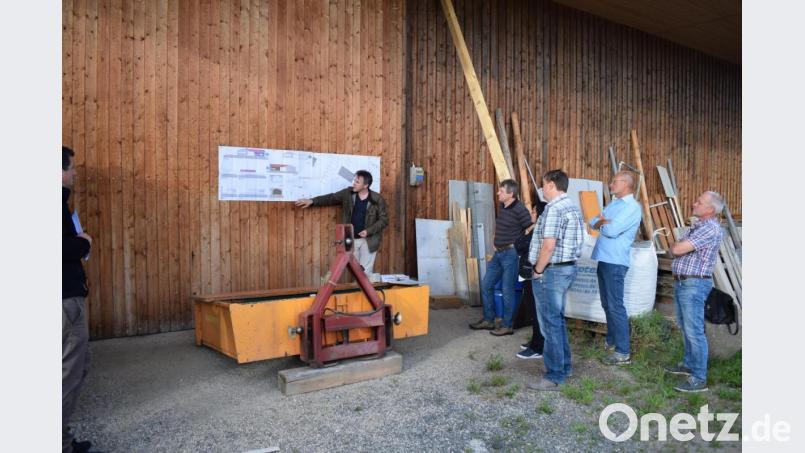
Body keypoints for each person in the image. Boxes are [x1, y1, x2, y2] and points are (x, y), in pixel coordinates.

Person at [527, 170, 584, 391]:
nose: (541, 189)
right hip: (566, 269)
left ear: (551, 185)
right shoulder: (572, 207)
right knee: (557, 321)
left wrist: (538, 270)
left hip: (551, 272)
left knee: (550, 325)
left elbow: (548, 246)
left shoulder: (554, 209)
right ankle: (564, 367)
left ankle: (554, 375)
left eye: (543, 185)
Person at [664, 191, 725, 393]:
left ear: (710, 209)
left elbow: (676, 250)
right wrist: (677, 247)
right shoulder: (697, 226)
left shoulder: (710, 228)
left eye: (699, 202)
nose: (694, 203)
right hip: (684, 283)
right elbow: (672, 250)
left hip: (694, 285)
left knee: (694, 331)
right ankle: (689, 364)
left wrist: (677, 247)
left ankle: (699, 377)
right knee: (685, 327)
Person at [589, 171, 642, 366]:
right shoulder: (614, 204)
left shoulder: (632, 207)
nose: (611, 184)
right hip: (604, 259)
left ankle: (622, 352)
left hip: (615, 262)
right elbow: (592, 221)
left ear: (626, 184)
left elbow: (611, 230)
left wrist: (602, 222)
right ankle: (611, 342)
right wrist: (602, 222)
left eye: (614, 182)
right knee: (607, 304)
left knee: (615, 305)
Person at [62, 146, 95, 453]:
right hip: (65, 299)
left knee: (77, 366)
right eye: (71, 167)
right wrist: (82, 243)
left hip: (70, 292)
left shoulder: (62, 203)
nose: (74, 172)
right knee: (69, 371)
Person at [470, 179, 533, 336]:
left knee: (507, 290)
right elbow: (501, 225)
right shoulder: (503, 206)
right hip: (498, 253)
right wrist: (495, 238)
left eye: (501, 191)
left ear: (511, 194)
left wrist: (520, 244)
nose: (498, 193)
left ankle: (507, 325)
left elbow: (531, 226)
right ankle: (488, 320)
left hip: (511, 254)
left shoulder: (520, 209)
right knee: (486, 285)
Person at [295, 170, 388, 274]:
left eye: (357, 182)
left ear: (366, 185)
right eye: (354, 180)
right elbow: (331, 198)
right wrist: (312, 201)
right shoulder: (347, 193)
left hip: (369, 241)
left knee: (365, 272)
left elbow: (384, 220)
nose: (354, 183)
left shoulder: (377, 199)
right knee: (355, 272)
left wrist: (368, 231)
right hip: (350, 239)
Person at [515, 190, 547, 360]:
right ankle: (535, 340)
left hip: (534, 274)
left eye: (534, 212)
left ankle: (538, 347)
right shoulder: (533, 229)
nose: (531, 214)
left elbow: (520, 245)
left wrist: (528, 231)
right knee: (532, 310)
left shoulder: (538, 231)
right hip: (528, 274)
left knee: (536, 311)